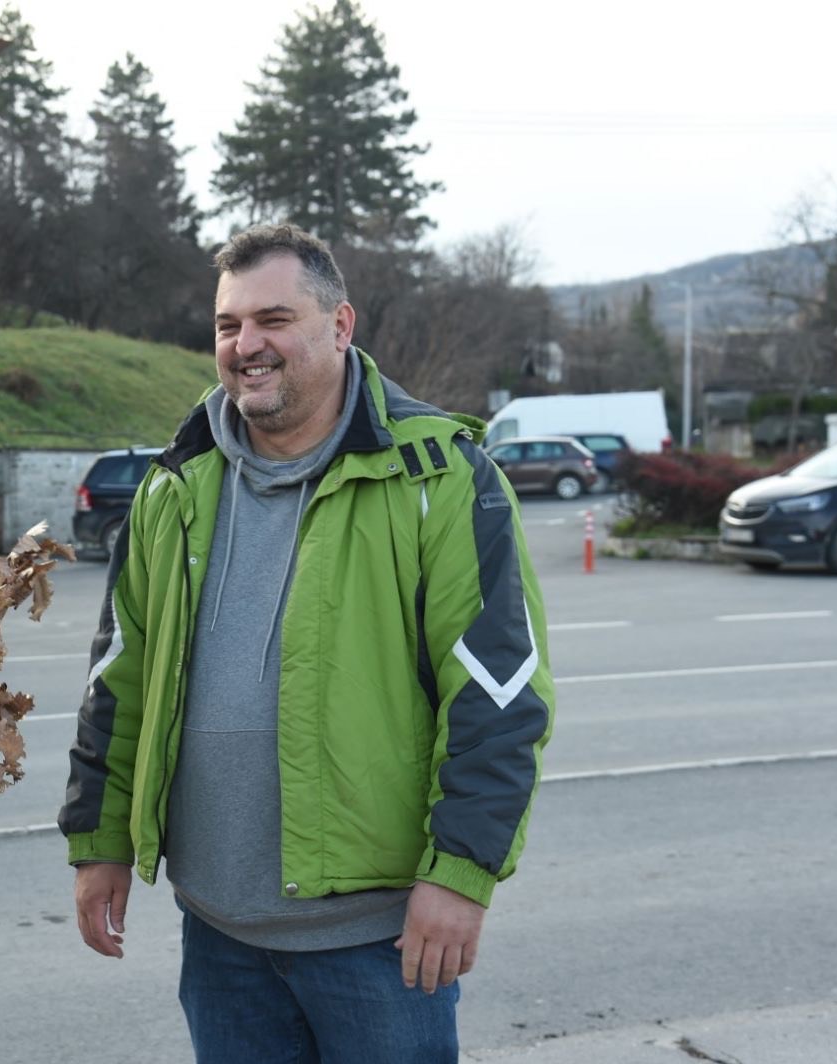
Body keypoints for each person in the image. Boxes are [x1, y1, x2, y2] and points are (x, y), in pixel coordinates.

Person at [60, 223, 556, 1063]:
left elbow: (499, 694)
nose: (247, 345)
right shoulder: (174, 486)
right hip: (219, 934)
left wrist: (459, 874)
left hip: (376, 939)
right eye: (227, 326)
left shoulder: (439, 476)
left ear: (340, 325)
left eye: (274, 319)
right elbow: (120, 678)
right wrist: (99, 839)